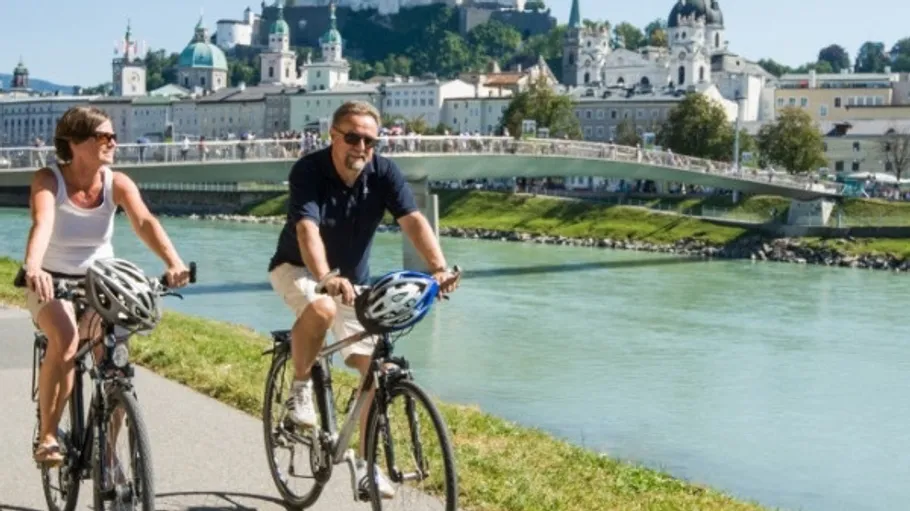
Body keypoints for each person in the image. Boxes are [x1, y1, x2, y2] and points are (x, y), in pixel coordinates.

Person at [267, 100, 460, 499]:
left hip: (354, 283)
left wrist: (439, 268)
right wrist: (325, 277)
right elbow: (307, 230)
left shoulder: (383, 172)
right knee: (320, 307)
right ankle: (300, 390)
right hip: (299, 268)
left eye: (370, 140)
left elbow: (412, 220)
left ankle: (367, 466)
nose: (361, 147)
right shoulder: (309, 170)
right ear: (333, 136)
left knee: (376, 369)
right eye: (352, 137)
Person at [22, 106, 191, 466]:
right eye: (103, 136)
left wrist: (173, 262)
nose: (113, 142)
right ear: (75, 141)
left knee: (116, 369)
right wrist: (34, 266)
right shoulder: (49, 180)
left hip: (103, 283)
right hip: (52, 281)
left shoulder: (117, 182)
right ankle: (49, 436)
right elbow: (43, 223)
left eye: (114, 136)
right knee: (66, 340)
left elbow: (144, 221)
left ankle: (108, 451)